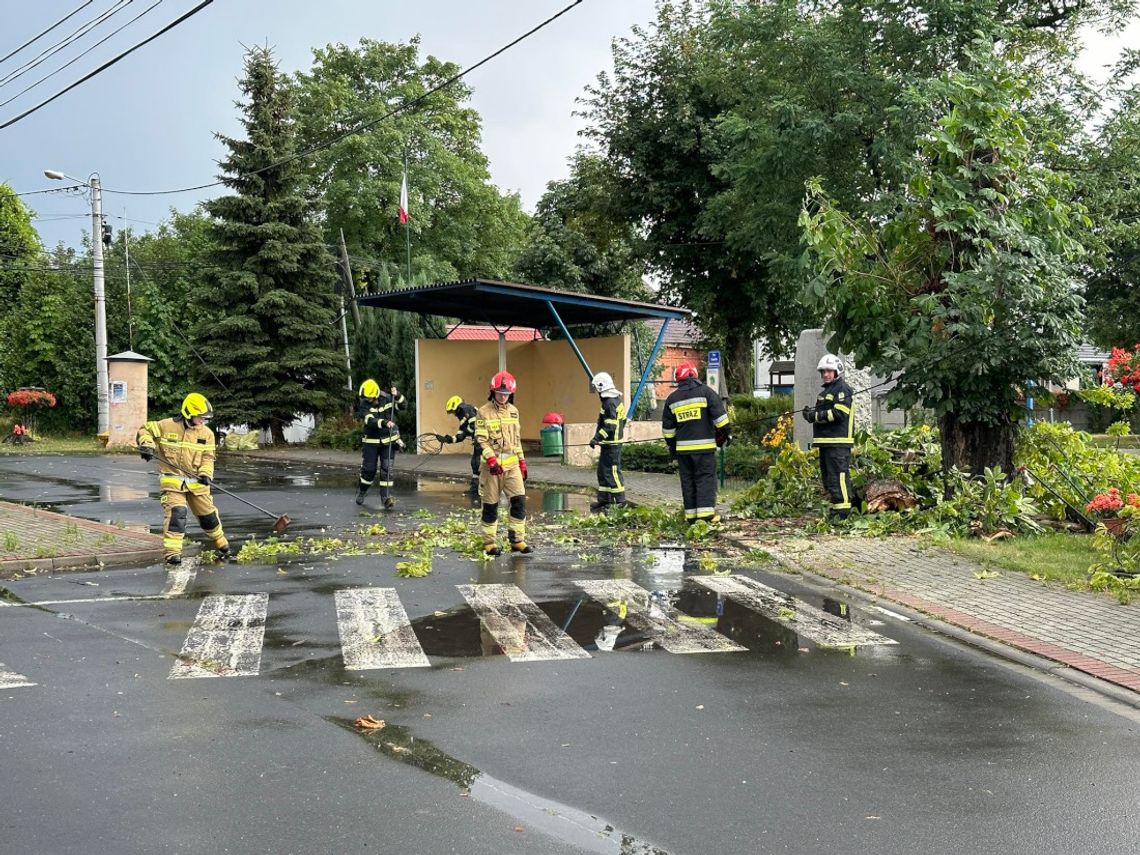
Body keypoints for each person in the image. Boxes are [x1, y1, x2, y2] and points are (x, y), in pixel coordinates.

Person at [136, 392, 230, 565]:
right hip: (172, 483)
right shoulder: (166, 426)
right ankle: (172, 553)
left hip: (197, 484)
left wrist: (205, 474)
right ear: (188, 413)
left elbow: (208, 458)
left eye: (205, 418)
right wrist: (147, 446)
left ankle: (221, 542)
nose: (203, 421)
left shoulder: (207, 434)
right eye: (200, 417)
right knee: (177, 514)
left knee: (208, 517)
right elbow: (145, 430)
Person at [661, 361, 730, 525]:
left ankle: (691, 517)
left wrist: (673, 448)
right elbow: (722, 421)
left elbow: (668, 431)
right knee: (705, 479)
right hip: (704, 449)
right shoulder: (707, 393)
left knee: (688, 481)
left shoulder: (672, 399)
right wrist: (726, 436)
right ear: (694, 375)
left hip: (683, 451)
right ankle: (706, 517)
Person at [474, 370, 532, 556]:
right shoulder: (483, 412)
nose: (503, 396)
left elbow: (516, 440)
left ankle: (517, 541)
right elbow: (481, 440)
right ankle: (489, 543)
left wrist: (522, 462)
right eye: (500, 393)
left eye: (506, 394)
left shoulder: (514, 412)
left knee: (519, 502)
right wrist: (491, 460)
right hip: (491, 469)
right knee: (491, 505)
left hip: (512, 466)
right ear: (493, 392)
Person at [802, 353, 854, 520]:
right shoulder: (826, 392)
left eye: (829, 371)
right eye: (823, 371)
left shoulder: (842, 389)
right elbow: (823, 412)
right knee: (829, 478)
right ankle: (836, 510)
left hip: (838, 442)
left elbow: (840, 413)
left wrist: (815, 416)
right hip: (826, 442)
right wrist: (811, 413)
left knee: (839, 476)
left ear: (837, 371)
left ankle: (844, 513)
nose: (825, 374)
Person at [356, 379, 406, 509]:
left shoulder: (388, 398)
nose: (368, 399)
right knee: (369, 470)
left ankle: (386, 498)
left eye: (370, 397)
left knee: (387, 470)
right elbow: (369, 420)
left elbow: (403, 406)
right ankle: (362, 491)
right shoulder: (364, 404)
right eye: (366, 398)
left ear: (376, 394)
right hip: (371, 442)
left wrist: (398, 396)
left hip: (388, 441)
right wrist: (384, 423)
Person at [588, 371, 627, 511]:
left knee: (612, 472)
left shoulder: (609, 403)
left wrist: (597, 438)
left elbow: (610, 426)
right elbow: (623, 421)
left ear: (601, 387)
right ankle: (604, 500)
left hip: (612, 444)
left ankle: (620, 501)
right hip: (609, 443)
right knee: (603, 471)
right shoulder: (614, 400)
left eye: (597, 389)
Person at [434, 395, 481, 495]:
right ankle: (475, 489)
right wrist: (446, 439)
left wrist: (466, 432)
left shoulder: (467, 409)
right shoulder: (463, 417)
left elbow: (474, 425)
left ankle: (482, 489)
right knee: (475, 463)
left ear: (457, 408)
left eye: (453, 411)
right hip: (479, 440)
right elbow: (459, 437)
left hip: (483, 440)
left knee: (478, 463)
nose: (454, 414)